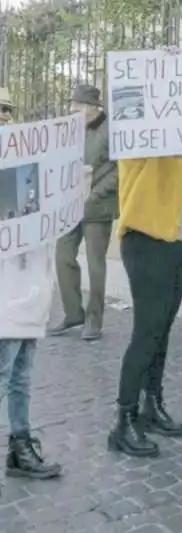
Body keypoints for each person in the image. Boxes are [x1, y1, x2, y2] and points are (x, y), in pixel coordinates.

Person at [107, 64, 182, 457]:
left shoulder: (181, 154)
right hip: (146, 244)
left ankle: (152, 404)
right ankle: (123, 419)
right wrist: (164, 69)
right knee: (146, 333)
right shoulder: (139, 140)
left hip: (177, 249)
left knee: (162, 332)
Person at [0, 87, 63, 481]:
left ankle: (20, 445)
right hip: (5, 288)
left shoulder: (26, 164)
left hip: (30, 284)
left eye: (7, 110)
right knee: (3, 373)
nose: (4, 117)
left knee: (21, 373)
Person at [49, 85, 117, 341]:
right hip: (70, 205)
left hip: (98, 207)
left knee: (95, 264)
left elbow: (120, 169)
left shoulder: (111, 128)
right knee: (62, 256)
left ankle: (94, 320)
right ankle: (73, 313)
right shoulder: (71, 129)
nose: (72, 109)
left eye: (77, 105)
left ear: (91, 107)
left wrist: (96, 192)